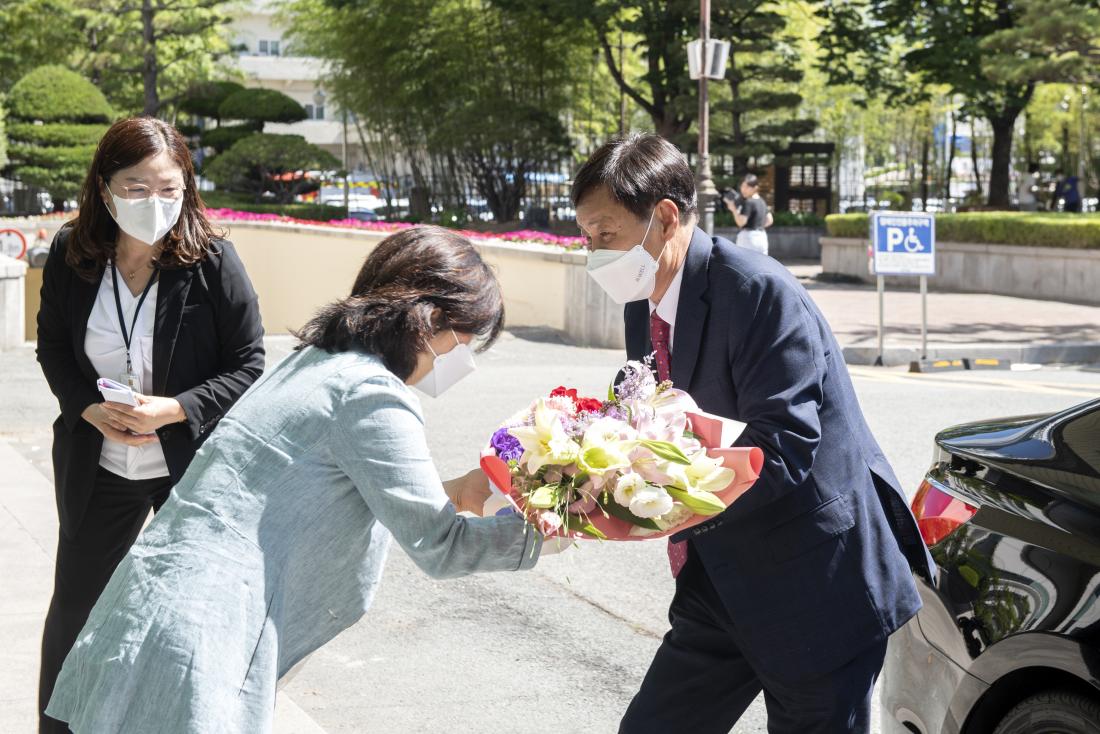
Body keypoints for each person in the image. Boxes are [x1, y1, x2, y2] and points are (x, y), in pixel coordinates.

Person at [45, 225, 548, 733]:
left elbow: (323, 492)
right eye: (467, 338)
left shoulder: (316, 363)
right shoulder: (373, 394)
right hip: (204, 636)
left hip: (152, 608)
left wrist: (456, 493)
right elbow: (443, 547)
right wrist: (559, 524)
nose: (466, 356)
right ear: (433, 320)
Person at [574, 133, 932, 734]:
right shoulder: (642, 300)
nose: (594, 253)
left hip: (815, 586)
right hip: (720, 579)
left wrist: (660, 501)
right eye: (586, 237)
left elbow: (783, 448)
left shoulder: (757, 291)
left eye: (605, 233)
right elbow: (647, 415)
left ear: (665, 217)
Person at [35, 117, 265, 733]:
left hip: (187, 468)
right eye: (136, 188)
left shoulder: (212, 260)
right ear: (104, 188)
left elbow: (249, 363)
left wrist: (175, 408)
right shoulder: (73, 253)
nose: (154, 202)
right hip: (100, 465)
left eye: (169, 188)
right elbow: (53, 347)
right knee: (77, 612)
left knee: (189, 620)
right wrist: (87, 407)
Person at [724, 173, 773, 256]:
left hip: (748, 238)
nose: (743, 189)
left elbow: (741, 222)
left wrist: (734, 210)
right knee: (761, 262)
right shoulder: (762, 201)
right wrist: (757, 225)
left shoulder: (749, 202)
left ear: (755, 188)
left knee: (743, 262)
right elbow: (770, 220)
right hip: (762, 237)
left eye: (747, 187)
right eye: (742, 186)